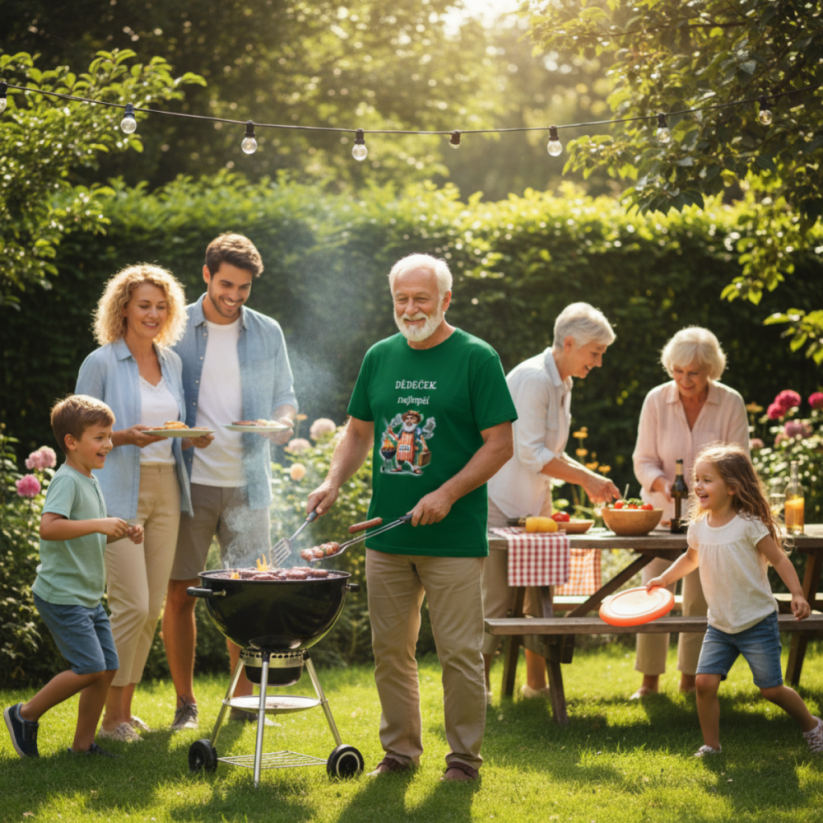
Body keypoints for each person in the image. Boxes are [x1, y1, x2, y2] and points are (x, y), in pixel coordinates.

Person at [307, 253, 516, 782]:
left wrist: (447, 493)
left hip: (454, 537)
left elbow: (500, 445)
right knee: (390, 653)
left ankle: (464, 761)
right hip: (387, 535)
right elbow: (357, 432)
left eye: (421, 297)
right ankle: (399, 753)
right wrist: (333, 480)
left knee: (460, 655)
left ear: (446, 299)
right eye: (401, 298)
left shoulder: (476, 357)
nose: (410, 307)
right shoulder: (380, 356)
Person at [163, 233, 298, 730]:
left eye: (243, 288)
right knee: (181, 593)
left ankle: (243, 702)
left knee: (246, 595)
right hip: (189, 481)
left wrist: (283, 421)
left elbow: (286, 395)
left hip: (248, 483)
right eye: (226, 285)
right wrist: (180, 434)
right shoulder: (176, 328)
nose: (235, 296)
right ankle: (185, 703)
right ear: (206, 275)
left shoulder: (267, 332)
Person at [76, 264, 212, 740]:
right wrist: (124, 438)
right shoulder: (101, 362)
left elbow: (171, 429)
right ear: (124, 309)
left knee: (152, 605)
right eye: (143, 305)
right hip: (117, 491)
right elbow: (76, 434)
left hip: (168, 489)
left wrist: (191, 440)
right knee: (130, 604)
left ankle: (123, 711)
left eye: (160, 306)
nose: (152, 314)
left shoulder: (172, 362)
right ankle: (105, 717)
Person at [645, 443, 823, 757]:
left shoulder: (748, 525)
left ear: (732, 487)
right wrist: (664, 579)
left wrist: (797, 594)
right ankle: (712, 746)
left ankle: (812, 725)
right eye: (697, 478)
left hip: (756, 621)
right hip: (720, 624)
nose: (698, 485)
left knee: (770, 689)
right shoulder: (699, 527)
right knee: (703, 683)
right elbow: (690, 559)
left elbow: (780, 560)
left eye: (707, 479)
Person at [484, 303, 620, 699]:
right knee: (493, 602)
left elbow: (550, 451)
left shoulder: (563, 381)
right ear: (570, 342)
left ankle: (536, 687)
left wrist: (590, 479)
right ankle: (477, 692)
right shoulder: (533, 378)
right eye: (594, 353)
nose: (597, 363)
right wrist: (588, 478)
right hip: (498, 502)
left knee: (539, 596)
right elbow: (529, 454)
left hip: (533, 506)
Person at [3, 395, 144, 758]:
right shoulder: (67, 480)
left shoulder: (90, 480)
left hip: (87, 595)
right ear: (71, 441)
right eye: (100, 437)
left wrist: (120, 532)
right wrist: (99, 523)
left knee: (107, 666)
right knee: (90, 666)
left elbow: (85, 534)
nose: (109, 444)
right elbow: (48, 528)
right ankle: (24, 714)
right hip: (62, 595)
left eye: (109, 436)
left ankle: (82, 746)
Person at [631, 327, 749, 699]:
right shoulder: (655, 400)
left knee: (699, 601)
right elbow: (642, 460)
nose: (684, 379)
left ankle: (690, 680)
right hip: (661, 516)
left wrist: (714, 492)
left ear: (711, 370)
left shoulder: (731, 402)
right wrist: (664, 483)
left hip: (712, 521)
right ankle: (649, 681)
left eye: (694, 373)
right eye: (678, 370)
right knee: (654, 592)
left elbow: (739, 462)